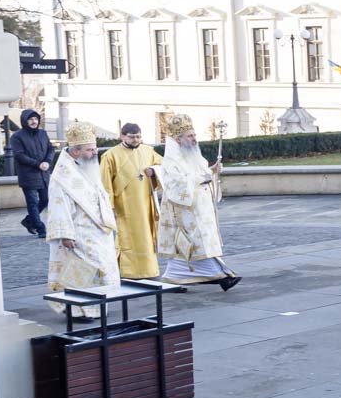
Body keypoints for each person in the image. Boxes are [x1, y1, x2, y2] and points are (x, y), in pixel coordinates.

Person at [155, 115, 240, 289]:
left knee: (196, 245)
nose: (194, 139)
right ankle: (221, 276)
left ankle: (174, 277)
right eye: (189, 136)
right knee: (196, 244)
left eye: (194, 135)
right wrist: (202, 177)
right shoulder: (171, 161)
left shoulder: (195, 156)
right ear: (178, 139)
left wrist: (213, 172)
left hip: (201, 210)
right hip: (184, 211)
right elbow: (175, 185)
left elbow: (201, 176)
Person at [46, 121, 117, 317]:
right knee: (83, 272)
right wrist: (65, 235)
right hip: (78, 233)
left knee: (100, 271)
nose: (94, 153)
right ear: (76, 151)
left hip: (98, 230)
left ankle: (97, 309)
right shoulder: (62, 177)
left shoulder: (89, 167)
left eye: (94, 149)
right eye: (90, 150)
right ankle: (78, 311)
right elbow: (59, 207)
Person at [99, 123, 163, 279]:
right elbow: (105, 183)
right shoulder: (110, 155)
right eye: (132, 137)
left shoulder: (148, 151)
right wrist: (110, 206)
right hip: (124, 204)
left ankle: (149, 270)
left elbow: (165, 166)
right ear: (122, 136)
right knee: (126, 237)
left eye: (138, 136)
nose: (136, 140)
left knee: (146, 237)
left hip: (146, 202)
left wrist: (154, 171)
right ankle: (127, 271)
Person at [9, 109, 56, 238]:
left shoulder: (43, 134)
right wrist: (37, 164)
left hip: (43, 174)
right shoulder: (17, 137)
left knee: (45, 199)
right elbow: (19, 155)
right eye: (30, 119)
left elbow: (51, 149)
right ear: (25, 121)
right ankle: (41, 228)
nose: (34, 121)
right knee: (33, 202)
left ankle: (29, 221)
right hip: (28, 175)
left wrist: (47, 161)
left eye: (36, 119)